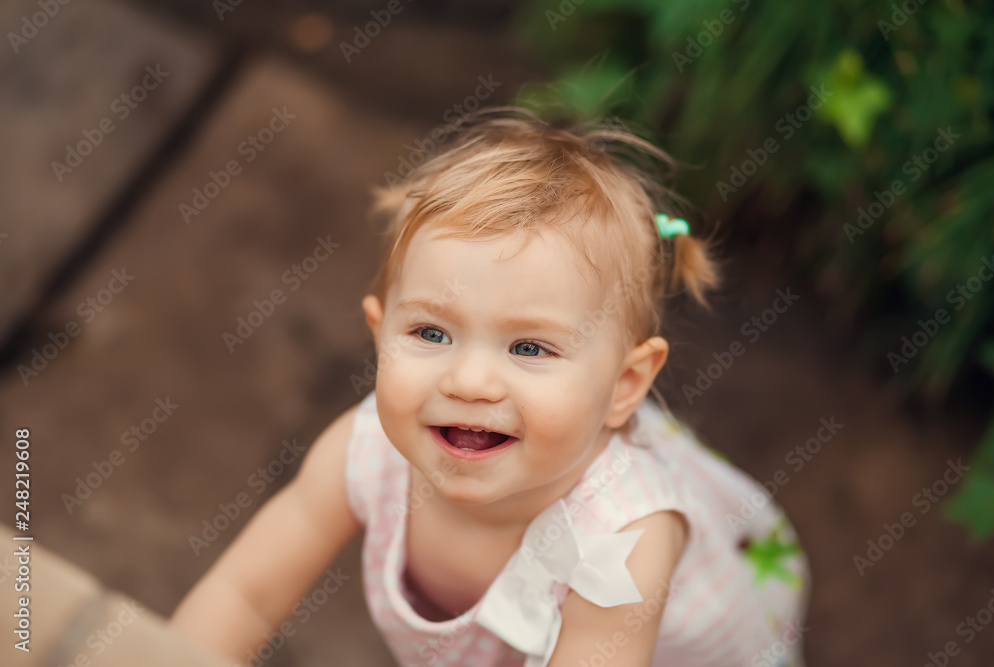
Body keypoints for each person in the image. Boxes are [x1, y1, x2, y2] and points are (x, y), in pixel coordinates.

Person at [170, 106, 809, 666]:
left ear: (624, 384)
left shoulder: (621, 547)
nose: (469, 381)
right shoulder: (364, 452)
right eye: (431, 333)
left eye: (529, 347)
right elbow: (243, 597)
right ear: (379, 333)